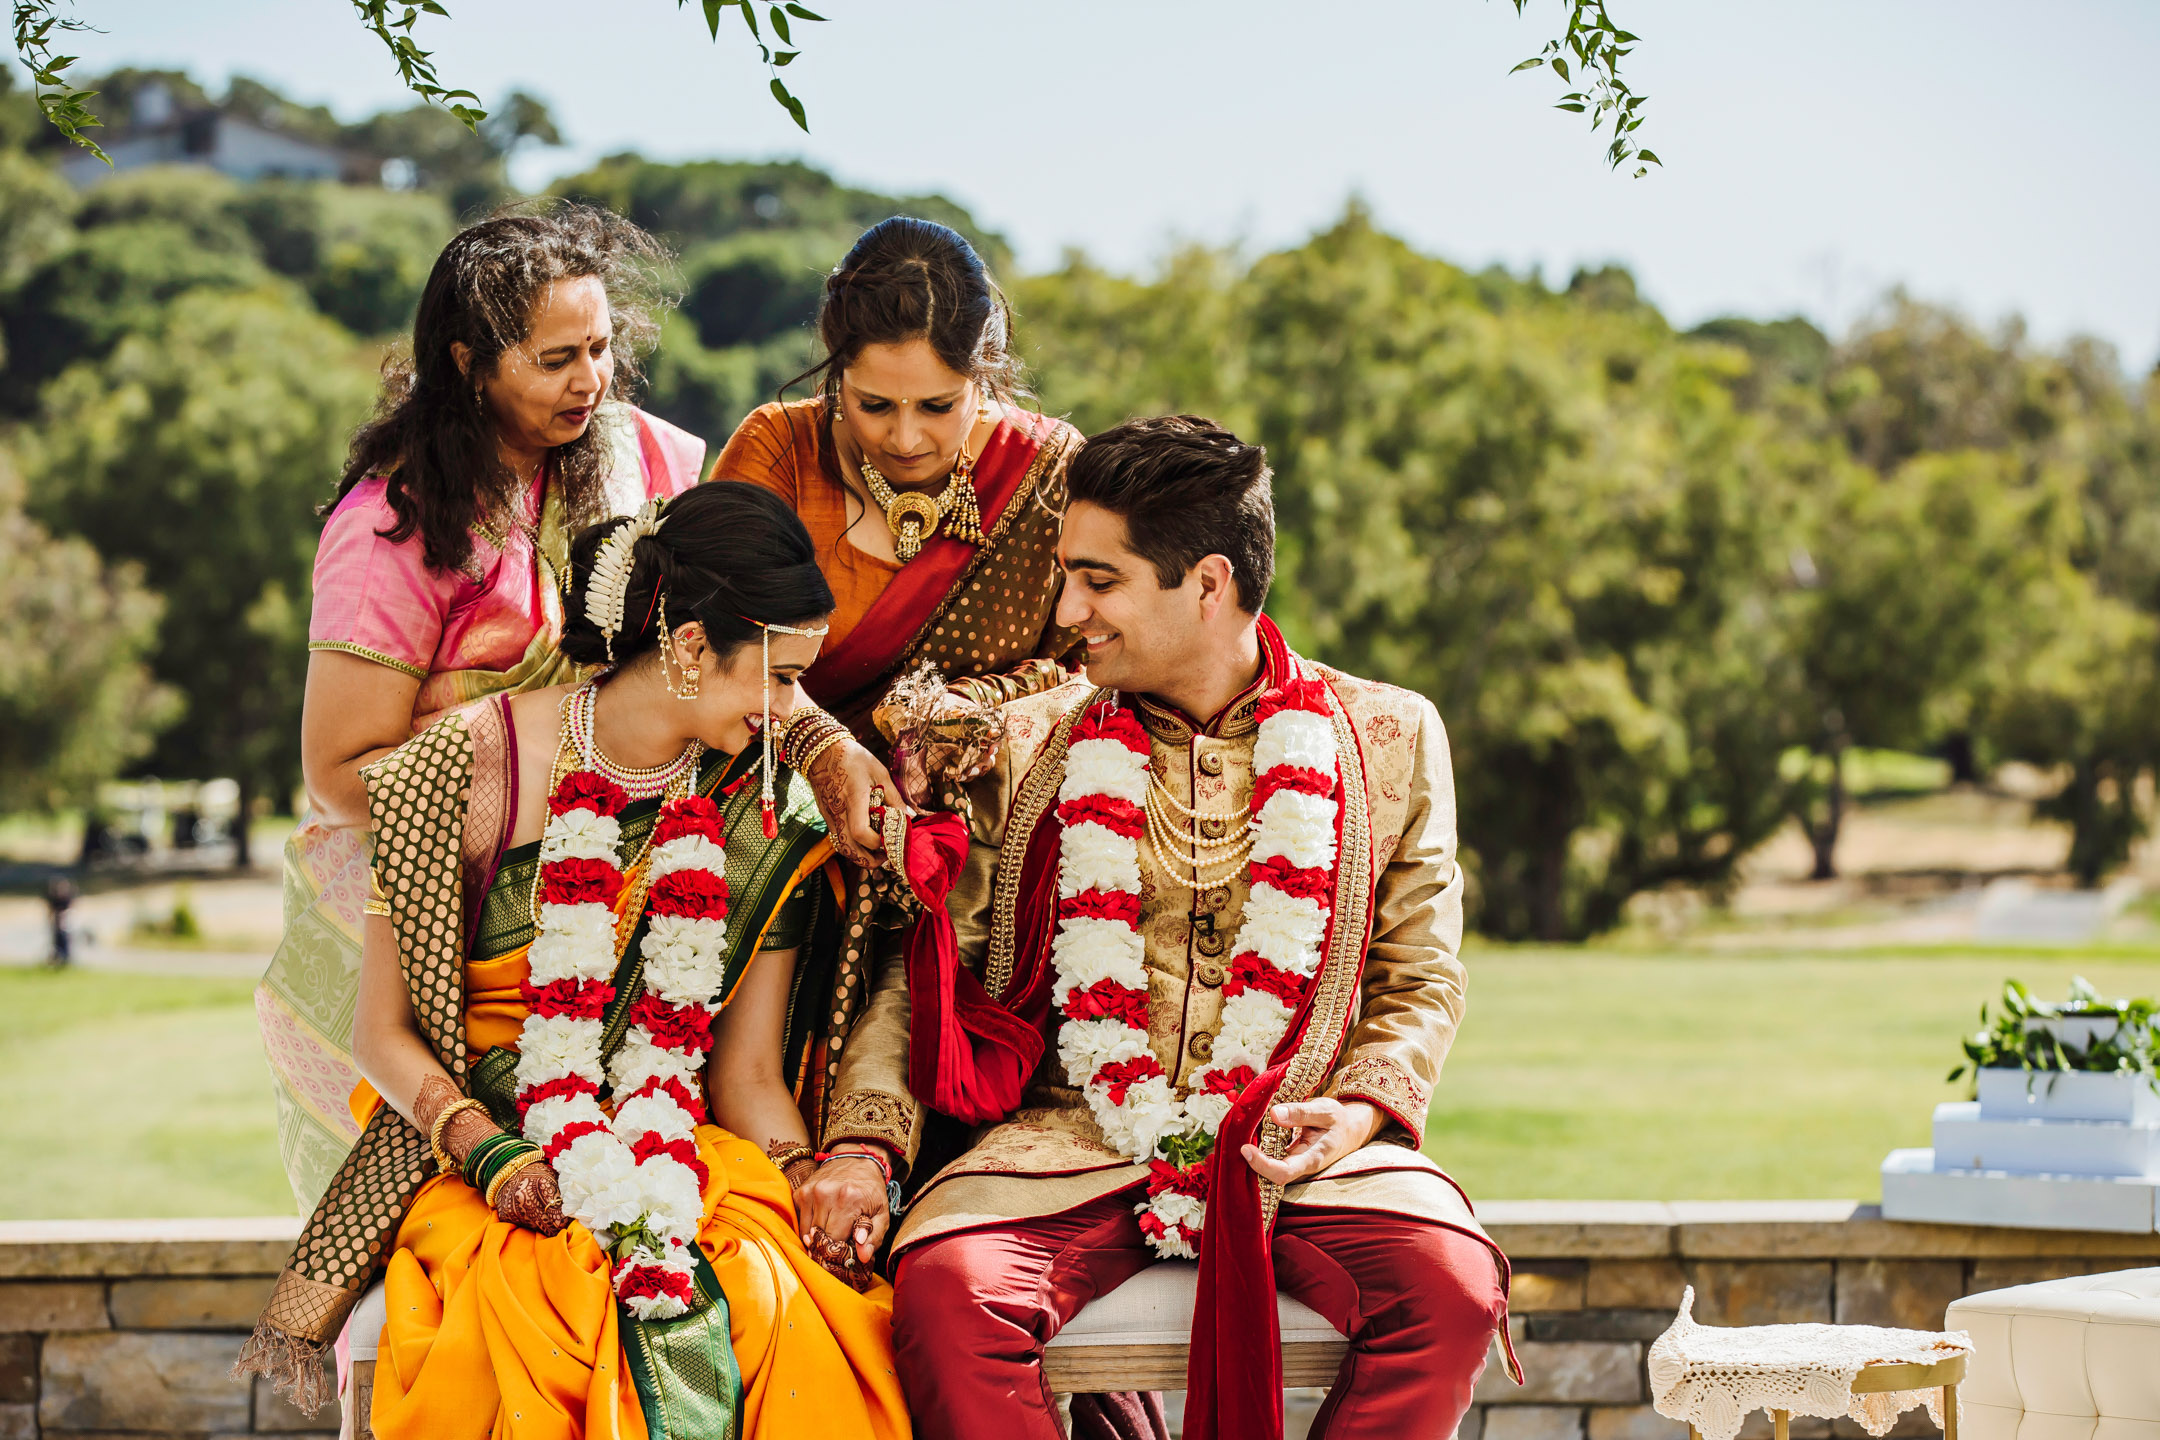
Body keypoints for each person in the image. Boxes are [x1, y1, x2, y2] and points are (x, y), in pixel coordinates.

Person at [820, 417, 1520, 1440]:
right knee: (951, 1294)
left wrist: (1363, 1111)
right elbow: (924, 975)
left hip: (1295, 1145)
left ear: (1207, 583)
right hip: (1069, 1143)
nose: (1067, 612)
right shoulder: (1021, 744)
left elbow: (1421, 975)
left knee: (1451, 1289)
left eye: (1098, 582)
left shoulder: (1388, 735)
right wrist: (862, 1148)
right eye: (1066, 575)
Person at [237, 482, 909, 1440]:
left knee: (775, 1302)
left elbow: (748, 1073)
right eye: (778, 677)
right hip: (483, 1147)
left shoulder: (767, 811)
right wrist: (494, 1154)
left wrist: (805, 1176)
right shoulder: (465, 767)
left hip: (679, 1137)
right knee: (539, 1314)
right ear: (687, 647)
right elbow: (379, 1033)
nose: (796, 714)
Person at [260, 202, 710, 1215]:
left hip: (622, 906)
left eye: (600, 348)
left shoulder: (655, 465)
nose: (589, 380)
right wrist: (538, 757)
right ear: (471, 362)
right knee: (418, 1245)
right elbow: (338, 773)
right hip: (414, 928)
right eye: (555, 359)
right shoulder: (398, 522)